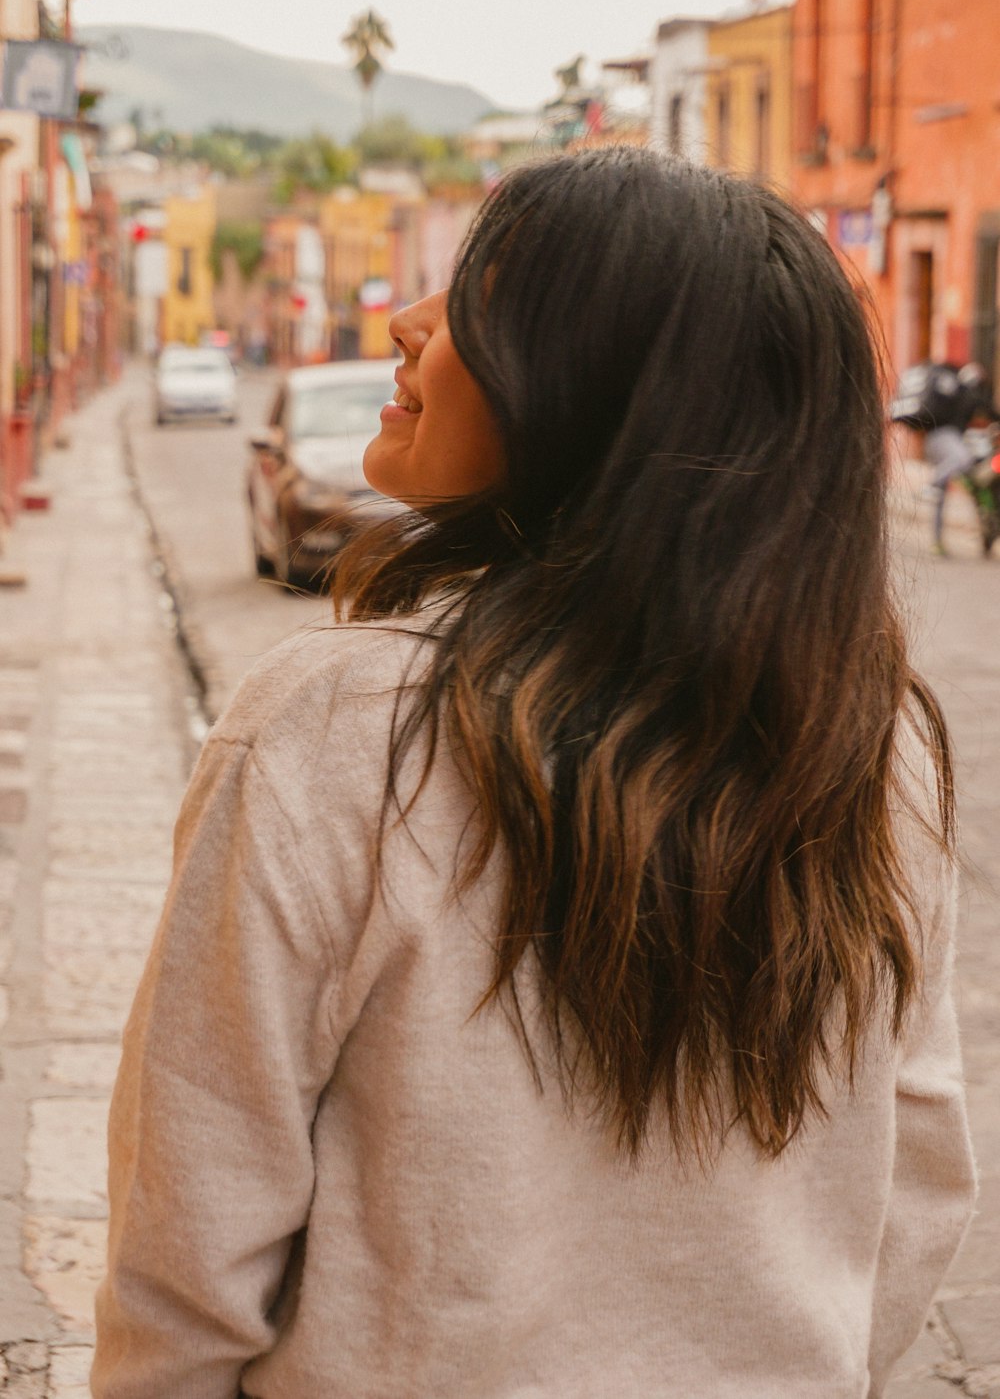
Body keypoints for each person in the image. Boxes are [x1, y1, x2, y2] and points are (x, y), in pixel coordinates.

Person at [92, 149, 976, 1399]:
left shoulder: (342, 728)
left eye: (477, 303)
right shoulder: (868, 743)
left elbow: (189, 1223)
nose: (405, 325)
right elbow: (919, 1182)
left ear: (598, 392)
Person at [891, 359, 996, 554]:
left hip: (934, 442)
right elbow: (989, 412)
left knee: (941, 494)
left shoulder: (952, 393)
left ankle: (937, 541)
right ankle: (931, 485)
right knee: (962, 460)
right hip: (947, 439)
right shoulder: (968, 393)